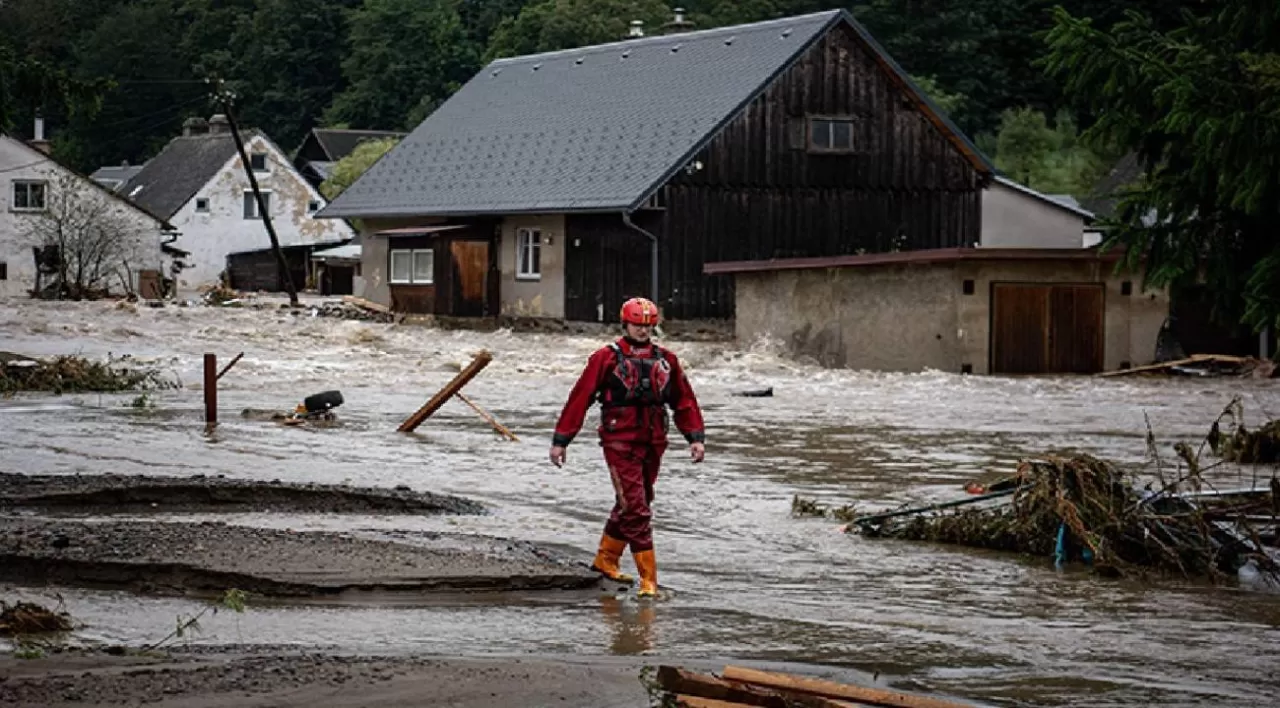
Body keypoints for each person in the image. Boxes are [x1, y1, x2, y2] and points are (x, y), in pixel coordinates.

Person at [549, 296, 706, 598]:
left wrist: (695, 438)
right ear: (625, 324)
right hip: (619, 441)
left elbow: (684, 400)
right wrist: (561, 441)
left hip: (654, 440)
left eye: (648, 325)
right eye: (637, 324)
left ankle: (605, 560)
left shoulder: (666, 360)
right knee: (636, 508)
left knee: (638, 500)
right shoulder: (605, 358)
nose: (643, 330)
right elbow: (579, 398)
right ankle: (649, 581)